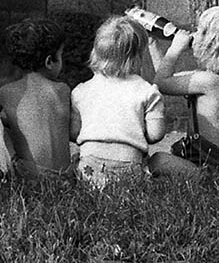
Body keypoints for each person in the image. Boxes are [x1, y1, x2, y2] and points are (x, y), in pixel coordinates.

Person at [147, 5, 219, 178]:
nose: (193, 35)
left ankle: (205, 179)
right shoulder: (211, 78)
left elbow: (161, 84)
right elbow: (166, 78)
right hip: (208, 159)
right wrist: (152, 43)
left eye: (199, 31)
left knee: (158, 160)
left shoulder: (209, 82)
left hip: (212, 167)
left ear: (211, 43)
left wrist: (175, 49)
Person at [70, 15, 167, 188]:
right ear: (138, 57)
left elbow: (74, 132)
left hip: (89, 166)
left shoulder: (81, 90)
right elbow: (155, 135)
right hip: (128, 167)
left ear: (96, 52)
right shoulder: (147, 91)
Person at [0, 18, 74, 178]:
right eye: (61, 55)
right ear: (49, 62)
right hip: (65, 178)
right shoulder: (63, 90)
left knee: (4, 130)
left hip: (30, 177)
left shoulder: (6, 93)